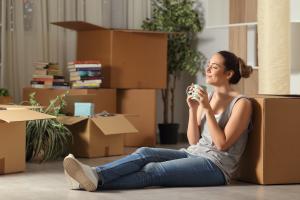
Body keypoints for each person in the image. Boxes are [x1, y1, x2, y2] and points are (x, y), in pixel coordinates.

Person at [63, 50, 253, 192]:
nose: (208, 69)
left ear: (228, 74)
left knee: (153, 170)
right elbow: (194, 141)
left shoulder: (241, 104)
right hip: (193, 153)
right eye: (208, 64)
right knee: (145, 152)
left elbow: (221, 144)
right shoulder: (209, 97)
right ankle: (94, 175)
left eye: (215, 66)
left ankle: (90, 180)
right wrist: (193, 109)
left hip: (216, 167)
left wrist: (207, 109)